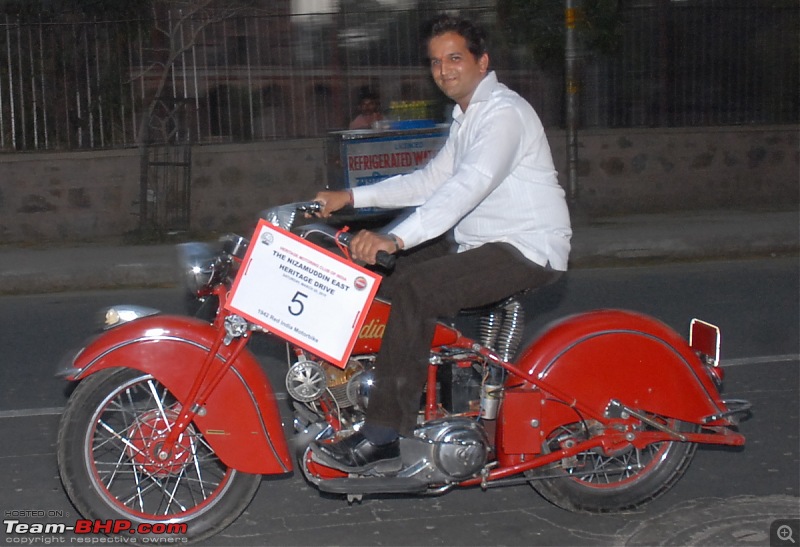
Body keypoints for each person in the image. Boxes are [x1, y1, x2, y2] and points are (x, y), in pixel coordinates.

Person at [310, 14, 572, 474]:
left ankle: (383, 434)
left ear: (482, 61)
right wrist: (351, 196)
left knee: (417, 288)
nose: (444, 70)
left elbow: (466, 187)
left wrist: (395, 236)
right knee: (378, 275)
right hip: (481, 244)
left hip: (525, 248)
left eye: (455, 58)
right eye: (435, 62)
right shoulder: (467, 116)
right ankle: (406, 389)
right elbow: (431, 181)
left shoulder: (503, 114)